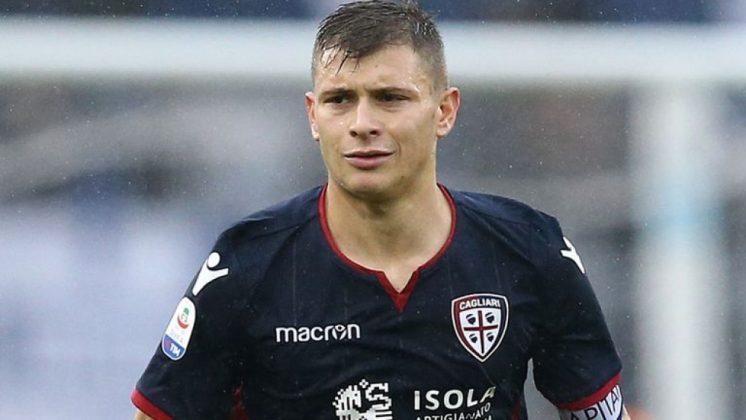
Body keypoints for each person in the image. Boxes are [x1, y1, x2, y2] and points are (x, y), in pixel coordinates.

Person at [132, 1, 631, 419]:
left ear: (445, 111)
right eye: (340, 100)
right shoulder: (248, 264)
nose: (362, 123)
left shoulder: (529, 251)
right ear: (313, 116)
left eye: (390, 98)